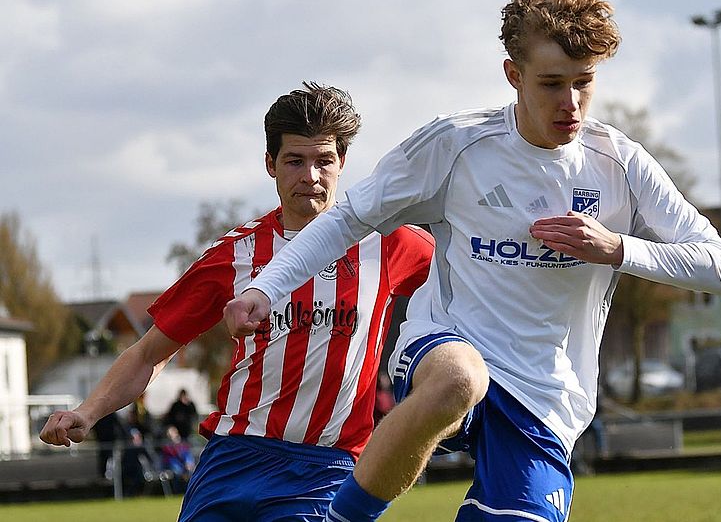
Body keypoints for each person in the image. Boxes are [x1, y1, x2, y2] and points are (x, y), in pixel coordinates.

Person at [225, 0, 721, 520]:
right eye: (551, 84)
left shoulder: (621, 165)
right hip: (450, 346)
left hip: (546, 395)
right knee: (460, 381)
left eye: (584, 83)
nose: (570, 103)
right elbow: (349, 217)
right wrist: (267, 287)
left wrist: (617, 248)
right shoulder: (456, 145)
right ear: (513, 75)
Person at [39, 83, 434, 521]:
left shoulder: (389, 243)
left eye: (324, 161)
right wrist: (87, 412)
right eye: (294, 161)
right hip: (233, 459)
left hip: (326, 468)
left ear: (343, 162)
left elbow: (475, 269)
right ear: (270, 164)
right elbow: (151, 351)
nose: (311, 176)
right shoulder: (234, 253)